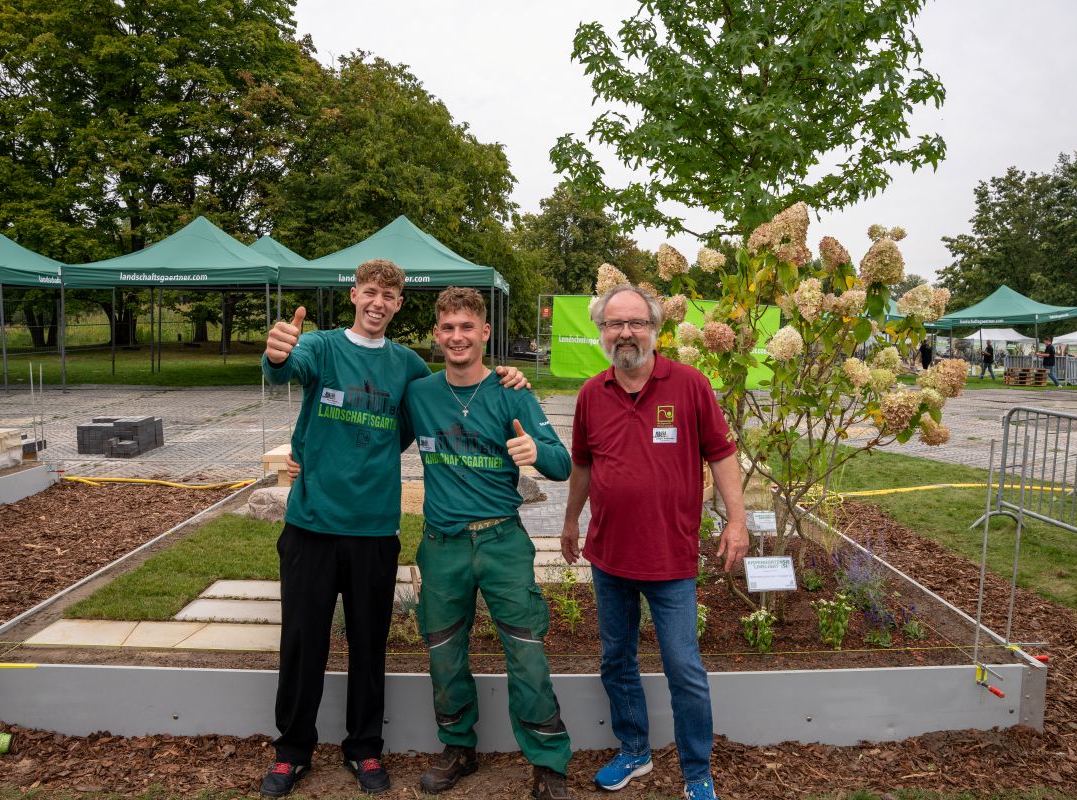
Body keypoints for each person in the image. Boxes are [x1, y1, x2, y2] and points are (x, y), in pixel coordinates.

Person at [259, 260, 528, 799]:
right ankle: (292, 750)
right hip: (311, 524)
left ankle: (363, 749)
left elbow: (439, 400)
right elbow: (287, 366)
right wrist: (277, 351)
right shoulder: (324, 347)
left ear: (400, 304)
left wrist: (510, 375)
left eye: (389, 295)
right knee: (303, 642)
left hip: (375, 531)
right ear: (354, 295)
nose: (378, 302)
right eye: (370, 292)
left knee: (368, 645)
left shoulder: (406, 365)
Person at [560, 284, 749, 800]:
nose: (625, 333)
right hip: (610, 557)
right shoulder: (590, 395)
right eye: (614, 324)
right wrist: (571, 521)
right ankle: (635, 751)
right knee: (616, 660)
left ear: (654, 330)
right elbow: (582, 465)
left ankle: (696, 772)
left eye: (636, 323)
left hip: (671, 561)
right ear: (601, 331)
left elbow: (723, 454)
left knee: (684, 668)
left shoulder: (689, 385)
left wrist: (737, 520)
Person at [407, 287, 573, 800]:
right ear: (437, 335)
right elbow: (364, 437)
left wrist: (534, 451)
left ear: (484, 333)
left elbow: (562, 464)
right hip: (443, 545)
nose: (457, 336)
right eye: (448, 328)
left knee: (526, 654)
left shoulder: (512, 390)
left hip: (502, 540)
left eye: (467, 327)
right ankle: (458, 748)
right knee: (443, 653)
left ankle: (548, 763)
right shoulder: (419, 394)